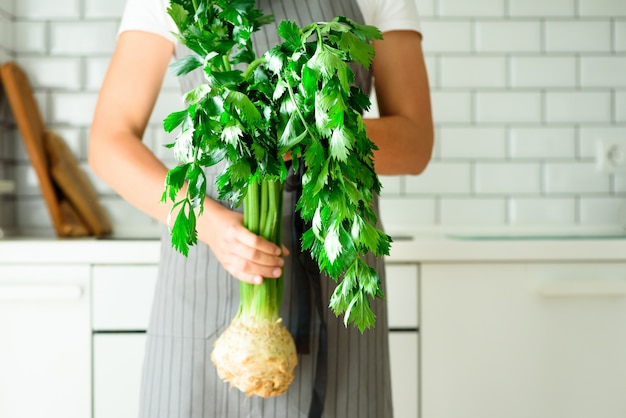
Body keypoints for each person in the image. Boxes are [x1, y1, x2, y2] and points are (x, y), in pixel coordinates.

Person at [89, 0, 433, 417]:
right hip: (210, 267)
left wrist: (307, 133)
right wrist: (210, 225)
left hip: (339, 277)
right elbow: (109, 142)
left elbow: (414, 142)